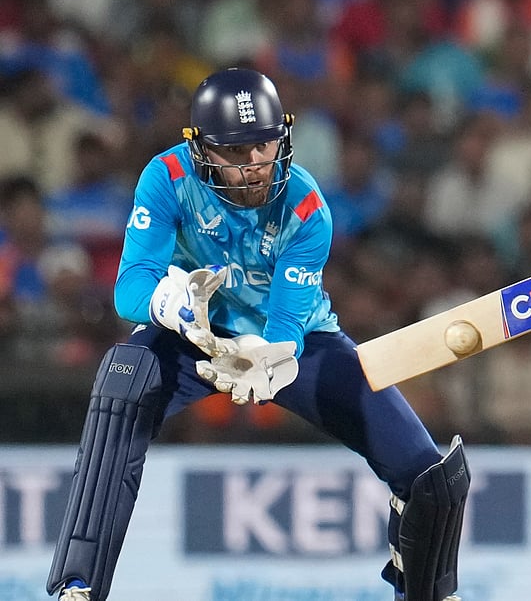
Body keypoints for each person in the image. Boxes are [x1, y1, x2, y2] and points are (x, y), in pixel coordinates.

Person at [46, 68, 469, 601]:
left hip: (291, 344)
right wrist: (173, 307)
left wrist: (267, 358)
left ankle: (431, 592)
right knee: (122, 382)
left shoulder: (307, 206)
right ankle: (76, 587)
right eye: (236, 150)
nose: (254, 166)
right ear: (201, 148)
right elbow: (129, 288)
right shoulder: (167, 176)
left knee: (428, 475)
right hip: (193, 333)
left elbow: (289, 323)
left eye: (264, 147)